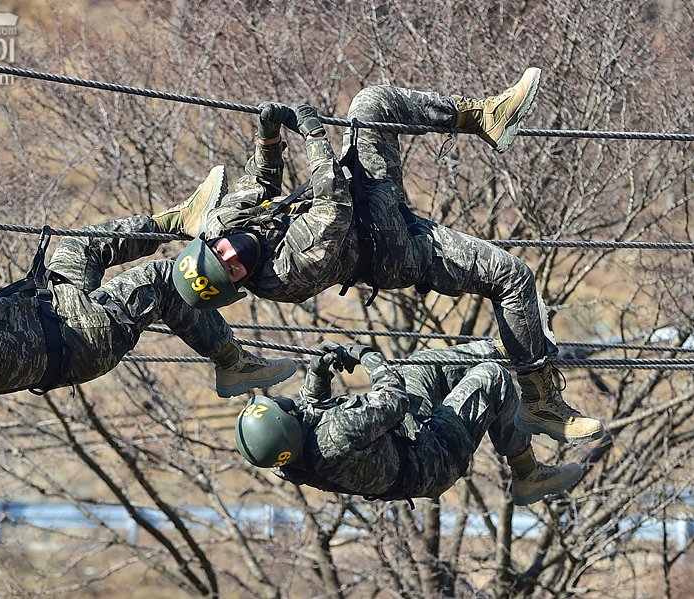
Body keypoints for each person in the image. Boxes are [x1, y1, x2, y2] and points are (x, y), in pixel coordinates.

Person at [152, 68, 603, 446]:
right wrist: (312, 134)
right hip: (393, 247)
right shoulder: (284, 274)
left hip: (367, 193)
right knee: (512, 276)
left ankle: (484, 115)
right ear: (239, 285)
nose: (233, 257)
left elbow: (261, 181)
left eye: (222, 253)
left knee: (371, 103)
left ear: (212, 241)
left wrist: (269, 138)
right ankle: (541, 400)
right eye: (233, 272)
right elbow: (333, 208)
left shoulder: (221, 225)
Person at [0, 201, 296, 397]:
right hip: (83, 338)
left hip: (55, 310)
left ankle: (177, 221)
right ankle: (232, 362)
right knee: (161, 281)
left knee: (80, 245)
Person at [234, 340, 583, 506]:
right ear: (286, 428)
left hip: (405, 441)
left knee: (418, 367)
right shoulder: (337, 435)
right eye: (281, 407)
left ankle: (502, 345)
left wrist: (318, 371)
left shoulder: (283, 459)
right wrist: (367, 356)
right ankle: (528, 474)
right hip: (434, 457)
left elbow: (308, 408)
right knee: (492, 379)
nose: (284, 401)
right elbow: (393, 399)